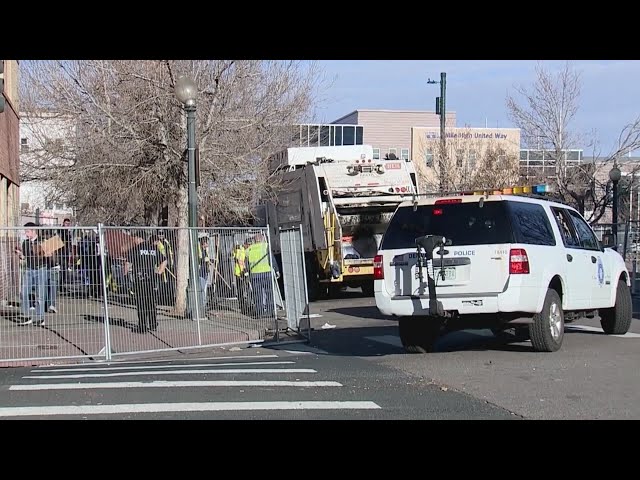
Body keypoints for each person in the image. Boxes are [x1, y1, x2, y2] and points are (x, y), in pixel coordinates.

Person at [124, 234, 167, 333]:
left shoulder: (136, 249)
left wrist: (125, 275)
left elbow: (127, 263)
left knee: (141, 303)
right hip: (151, 280)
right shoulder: (153, 248)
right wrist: (159, 272)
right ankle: (153, 324)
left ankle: (142, 326)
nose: (134, 240)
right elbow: (164, 261)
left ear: (139, 238)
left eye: (134, 238)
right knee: (151, 303)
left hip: (139, 280)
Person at [15, 222, 48, 326]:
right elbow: (25, 257)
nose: (26, 233)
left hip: (41, 269)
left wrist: (45, 252)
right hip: (29, 269)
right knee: (24, 293)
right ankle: (26, 316)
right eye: (25, 231)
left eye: (28, 231)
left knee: (40, 295)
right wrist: (20, 255)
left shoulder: (42, 241)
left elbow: (49, 255)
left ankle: (40, 318)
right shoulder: (25, 243)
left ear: (34, 231)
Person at [246, 232, 280, 318]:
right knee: (269, 293)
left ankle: (259, 312)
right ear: (262, 239)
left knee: (257, 294)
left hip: (254, 275)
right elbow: (271, 259)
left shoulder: (249, 249)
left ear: (254, 240)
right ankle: (269, 311)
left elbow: (246, 262)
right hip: (267, 273)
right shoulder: (266, 246)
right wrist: (276, 270)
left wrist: (247, 273)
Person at [232, 241, 249, 313]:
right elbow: (240, 261)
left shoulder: (239, 249)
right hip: (241, 273)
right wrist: (244, 271)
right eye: (248, 245)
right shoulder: (241, 250)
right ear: (246, 244)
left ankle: (242, 304)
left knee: (241, 289)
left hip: (239, 272)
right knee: (242, 289)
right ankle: (243, 305)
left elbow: (233, 255)